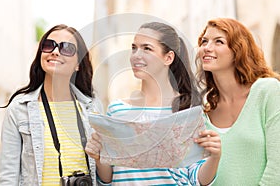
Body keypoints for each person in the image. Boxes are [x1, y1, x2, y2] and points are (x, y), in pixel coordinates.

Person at [85, 22, 221, 185]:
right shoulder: (117, 111)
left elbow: (196, 178)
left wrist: (214, 157)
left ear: (168, 57)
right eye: (134, 48)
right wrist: (99, 158)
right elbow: (108, 179)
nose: (136, 55)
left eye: (147, 48)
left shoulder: (187, 110)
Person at [0, 24, 103, 185]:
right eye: (48, 45)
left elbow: (106, 176)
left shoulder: (93, 107)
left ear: (78, 63)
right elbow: (8, 177)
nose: (55, 51)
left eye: (67, 48)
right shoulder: (19, 109)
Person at [195, 18, 280, 185]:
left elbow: (277, 168)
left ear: (238, 50)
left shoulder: (267, 91)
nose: (207, 48)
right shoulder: (203, 114)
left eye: (218, 41)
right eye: (204, 41)